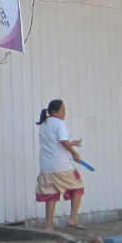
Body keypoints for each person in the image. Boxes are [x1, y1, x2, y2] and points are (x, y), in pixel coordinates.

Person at [35, 99, 84, 231]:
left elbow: (54, 143)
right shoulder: (59, 123)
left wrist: (71, 143)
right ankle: (72, 219)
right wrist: (74, 153)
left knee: (51, 194)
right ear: (54, 112)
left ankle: (49, 226)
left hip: (46, 167)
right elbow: (63, 141)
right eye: (62, 111)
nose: (64, 113)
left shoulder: (44, 124)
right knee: (78, 187)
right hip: (62, 165)